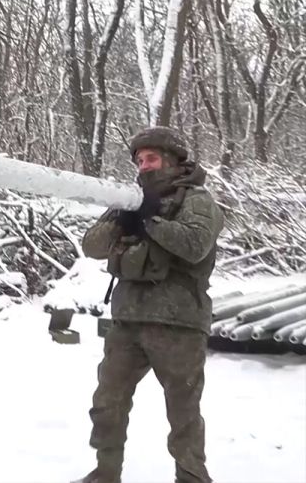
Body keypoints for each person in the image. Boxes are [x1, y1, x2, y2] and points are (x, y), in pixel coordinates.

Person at [75, 127, 224, 483]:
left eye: (151, 159)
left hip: (179, 323)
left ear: (172, 160)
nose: (144, 166)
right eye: (139, 160)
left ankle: (191, 478)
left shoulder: (197, 200)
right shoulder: (131, 199)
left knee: (183, 413)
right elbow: (91, 246)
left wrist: (148, 221)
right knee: (107, 404)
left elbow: (194, 244)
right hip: (127, 321)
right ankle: (105, 474)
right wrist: (122, 216)